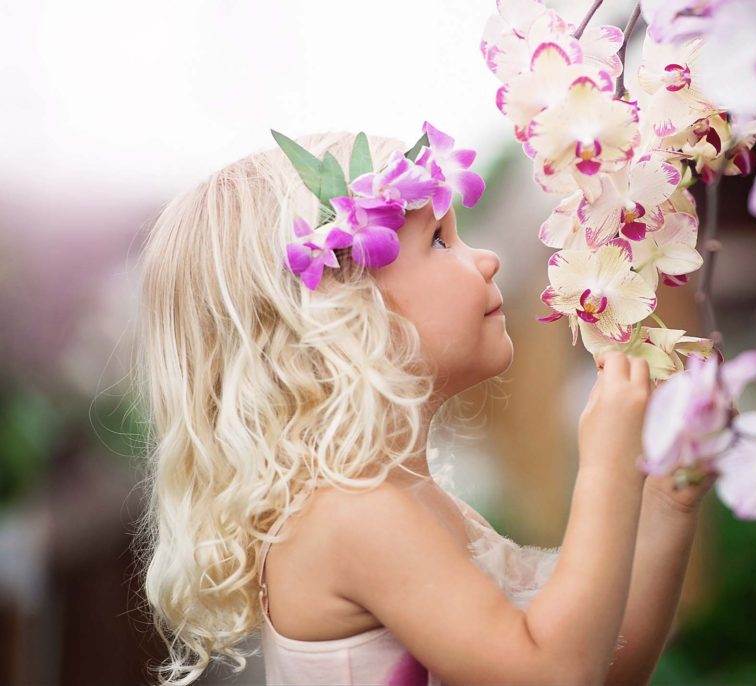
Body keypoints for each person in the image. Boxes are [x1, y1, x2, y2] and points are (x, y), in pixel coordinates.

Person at [133, 127, 716, 686]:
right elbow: (557, 674)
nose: (485, 259)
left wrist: (668, 493)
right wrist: (606, 464)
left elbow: (599, 665)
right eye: (440, 240)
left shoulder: (417, 507)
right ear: (345, 317)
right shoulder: (354, 518)